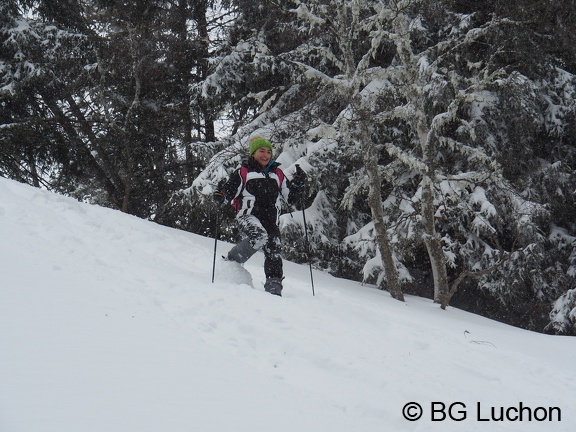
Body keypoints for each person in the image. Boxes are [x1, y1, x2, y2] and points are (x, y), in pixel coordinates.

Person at [213, 136, 306, 296]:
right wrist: (221, 195)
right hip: (247, 216)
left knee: (274, 248)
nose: (265, 155)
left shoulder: (277, 174)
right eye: (261, 151)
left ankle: (274, 288)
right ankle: (233, 259)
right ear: (253, 153)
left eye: (269, 152)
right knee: (259, 236)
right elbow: (229, 191)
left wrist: (298, 185)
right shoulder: (244, 172)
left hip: (270, 218)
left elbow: (290, 197)